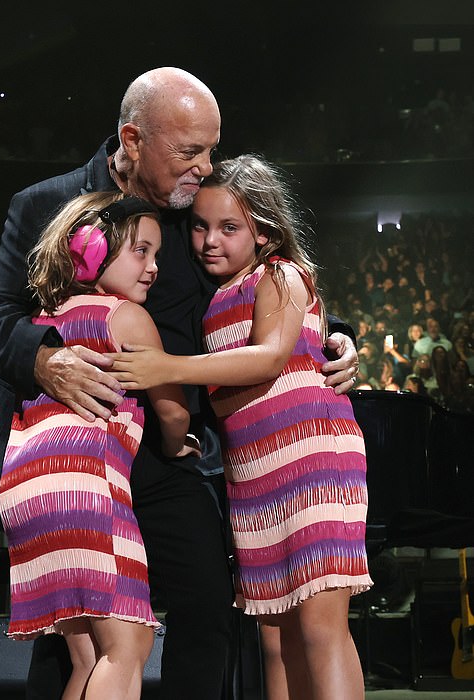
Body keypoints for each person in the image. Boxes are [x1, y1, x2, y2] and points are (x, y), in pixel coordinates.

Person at [0, 67, 360, 700]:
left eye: (211, 149)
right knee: (74, 638)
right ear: (133, 137)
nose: (205, 167)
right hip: (75, 450)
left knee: (207, 608)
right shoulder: (46, 204)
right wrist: (44, 361)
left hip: (165, 452)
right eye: (190, 152)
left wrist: (330, 332)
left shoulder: (191, 213)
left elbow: (259, 275)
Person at [108, 154, 372, 699]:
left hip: (311, 460)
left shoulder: (281, 274)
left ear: (265, 229)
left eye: (230, 227)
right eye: (201, 226)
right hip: (252, 476)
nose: (209, 240)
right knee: (274, 640)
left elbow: (270, 356)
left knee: (322, 629)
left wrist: (167, 368)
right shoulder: (217, 300)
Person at [0, 191, 199, 700]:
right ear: (89, 249)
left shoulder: (41, 322)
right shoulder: (126, 317)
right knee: (128, 645)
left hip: (26, 490)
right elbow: (173, 410)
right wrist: (178, 446)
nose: (153, 267)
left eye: (157, 254)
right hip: (87, 490)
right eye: (141, 251)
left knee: (90, 656)